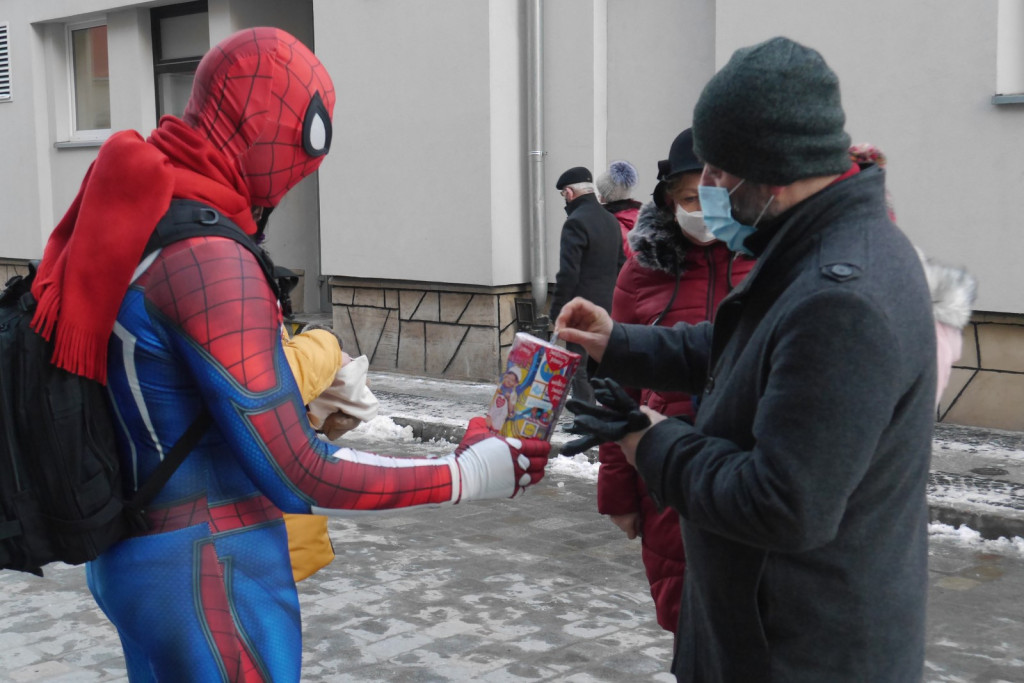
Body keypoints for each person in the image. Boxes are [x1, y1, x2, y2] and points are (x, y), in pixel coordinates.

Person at [29, 28, 550, 682]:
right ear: (278, 131)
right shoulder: (209, 258)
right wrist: (466, 474)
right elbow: (300, 471)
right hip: (210, 569)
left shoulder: (135, 212)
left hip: (136, 556)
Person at [556, 36, 936, 682]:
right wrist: (619, 341)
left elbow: (780, 501)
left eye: (720, 172)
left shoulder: (843, 300)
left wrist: (653, 442)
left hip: (800, 654)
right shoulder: (807, 247)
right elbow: (739, 348)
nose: (705, 190)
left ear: (777, 174)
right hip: (754, 633)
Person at [597, 128, 754, 634]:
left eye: (715, 196)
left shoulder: (768, 263)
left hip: (749, 471)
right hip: (665, 476)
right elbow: (617, 390)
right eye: (690, 197)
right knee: (688, 621)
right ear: (668, 200)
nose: (703, 209)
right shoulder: (641, 272)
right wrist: (618, 493)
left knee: (756, 624)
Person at [550, 166, 625, 405]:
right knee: (601, 358)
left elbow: (568, 273)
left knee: (579, 363)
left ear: (569, 193)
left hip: (581, 307)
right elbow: (621, 263)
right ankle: (607, 407)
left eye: (563, 195)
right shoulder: (611, 220)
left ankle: (585, 413)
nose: (565, 200)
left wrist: (557, 310)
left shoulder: (575, 222)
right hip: (608, 305)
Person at [596, 160, 642, 259]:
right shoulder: (640, 216)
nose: (599, 198)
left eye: (602, 194)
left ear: (608, 197)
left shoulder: (614, 225)